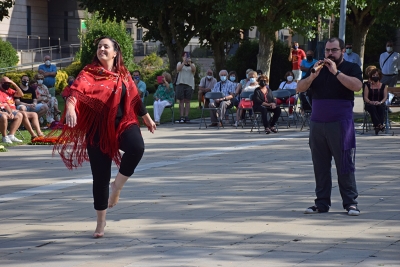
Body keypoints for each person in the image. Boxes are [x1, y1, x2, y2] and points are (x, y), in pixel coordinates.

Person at [54, 36, 156, 238]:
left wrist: (146, 117)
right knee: (99, 178)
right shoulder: (88, 73)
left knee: (137, 147)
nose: (101, 49)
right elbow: (75, 92)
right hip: (98, 129)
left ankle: (117, 185)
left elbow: (135, 97)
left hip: (123, 123)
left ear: (115, 52)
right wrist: (72, 108)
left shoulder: (124, 74)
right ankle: (100, 223)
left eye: (106, 46)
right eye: (99, 46)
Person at [297, 37, 363, 216]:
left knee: (344, 165)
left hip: (340, 124)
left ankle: (350, 203)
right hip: (318, 124)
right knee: (320, 166)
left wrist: (336, 73)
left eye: (334, 50)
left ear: (342, 51)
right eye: (327, 50)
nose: (330, 54)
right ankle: (321, 203)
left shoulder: (351, 68)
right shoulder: (317, 68)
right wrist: (311, 77)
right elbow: (299, 88)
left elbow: (357, 87)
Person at [0, 76, 45, 140]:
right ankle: (33, 135)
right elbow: (3, 105)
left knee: (34, 114)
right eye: (6, 83)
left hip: (15, 110)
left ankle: (39, 133)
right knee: (23, 113)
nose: (8, 85)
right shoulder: (0, 92)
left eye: (9, 83)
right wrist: (11, 111)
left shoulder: (9, 90)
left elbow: (21, 95)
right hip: (8, 111)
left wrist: (14, 84)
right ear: (1, 83)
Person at [363, 68, 388, 135]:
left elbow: (385, 97)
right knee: (372, 107)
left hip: (380, 103)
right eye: (374, 75)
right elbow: (365, 97)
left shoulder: (383, 86)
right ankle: (380, 125)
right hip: (370, 103)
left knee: (381, 107)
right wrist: (371, 102)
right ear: (371, 76)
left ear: (380, 76)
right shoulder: (367, 86)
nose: (375, 76)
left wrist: (380, 102)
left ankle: (377, 125)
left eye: (377, 75)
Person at [176, 52, 196, 123]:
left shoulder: (192, 65)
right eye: (184, 56)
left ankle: (186, 116)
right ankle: (181, 116)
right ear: (182, 57)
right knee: (181, 101)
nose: (186, 58)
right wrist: (184, 62)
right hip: (181, 83)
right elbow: (178, 69)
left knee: (187, 101)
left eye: (187, 56)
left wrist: (190, 63)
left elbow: (193, 70)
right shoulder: (179, 63)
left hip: (189, 84)